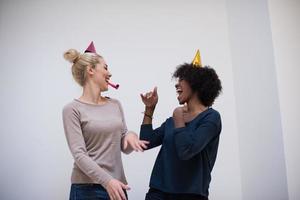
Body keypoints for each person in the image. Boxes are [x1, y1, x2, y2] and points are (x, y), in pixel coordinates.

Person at [62, 42, 148, 200]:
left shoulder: (115, 104)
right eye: (106, 68)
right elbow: (79, 155)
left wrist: (131, 136)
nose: (110, 74)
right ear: (91, 70)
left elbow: (124, 146)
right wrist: (107, 181)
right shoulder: (72, 109)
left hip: (117, 187)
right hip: (86, 190)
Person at [140, 52, 222, 200]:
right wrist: (149, 109)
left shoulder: (211, 118)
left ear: (197, 84)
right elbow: (145, 142)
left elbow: (186, 150)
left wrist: (178, 117)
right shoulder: (173, 120)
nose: (177, 84)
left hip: (191, 195)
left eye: (183, 79)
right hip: (157, 193)